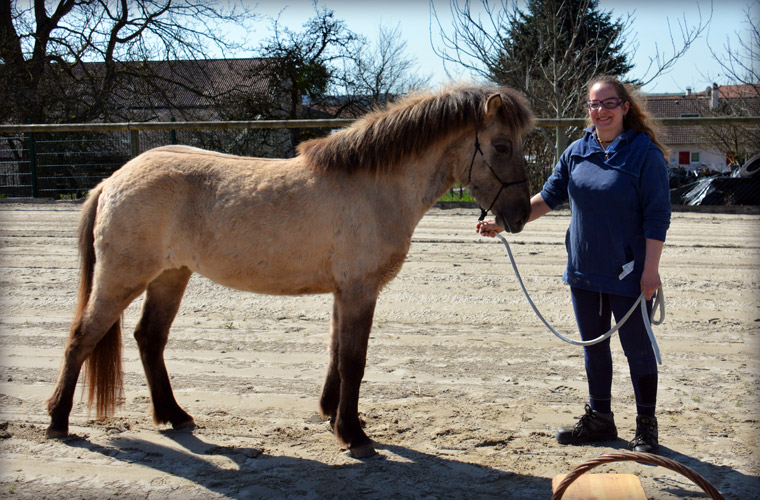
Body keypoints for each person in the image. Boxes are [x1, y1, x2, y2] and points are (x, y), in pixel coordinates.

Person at [477, 75, 671, 453]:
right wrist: (504, 221)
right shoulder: (577, 151)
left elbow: (657, 216)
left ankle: (647, 426)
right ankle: (600, 419)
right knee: (593, 348)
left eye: (609, 103)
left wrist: (651, 269)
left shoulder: (645, 155)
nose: (601, 111)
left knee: (637, 348)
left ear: (625, 107)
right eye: (594, 105)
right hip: (583, 270)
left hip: (629, 273)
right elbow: (548, 198)